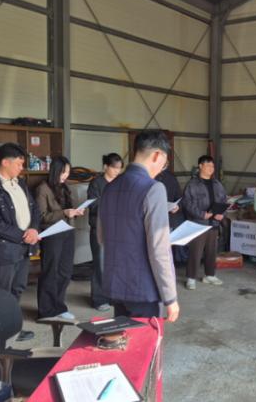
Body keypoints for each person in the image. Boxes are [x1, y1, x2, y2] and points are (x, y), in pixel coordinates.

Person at [99, 130, 179, 321]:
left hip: (115, 284)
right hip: (143, 288)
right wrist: (170, 297)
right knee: (145, 339)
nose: (162, 168)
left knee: (123, 336)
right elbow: (159, 249)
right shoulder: (153, 188)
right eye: (164, 162)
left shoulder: (110, 187)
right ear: (157, 155)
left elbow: (101, 237)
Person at [0, 143, 40, 341]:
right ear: (5, 162)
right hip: (5, 249)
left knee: (18, 288)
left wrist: (34, 229)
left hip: (24, 246)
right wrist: (23, 235)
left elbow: (34, 209)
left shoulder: (19, 183)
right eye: (19, 164)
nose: (22, 168)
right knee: (1, 292)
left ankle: (11, 328)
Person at [35, 156, 83, 320]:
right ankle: (46, 310)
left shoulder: (64, 187)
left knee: (65, 271)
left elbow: (66, 210)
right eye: (63, 172)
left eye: (68, 172)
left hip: (67, 231)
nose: (65, 176)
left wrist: (74, 212)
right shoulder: (42, 189)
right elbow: (42, 216)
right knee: (50, 271)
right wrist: (64, 213)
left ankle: (59, 306)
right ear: (55, 171)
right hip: (51, 234)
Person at [181, 155, 227, 290]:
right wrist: (202, 214)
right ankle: (191, 278)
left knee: (212, 251)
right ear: (200, 166)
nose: (211, 168)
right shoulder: (192, 184)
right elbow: (187, 203)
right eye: (208, 165)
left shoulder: (217, 184)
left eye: (212, 166)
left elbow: (224, 200)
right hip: (198, 223)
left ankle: (210, 275)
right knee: (196, 251)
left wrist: (222, 214)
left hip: (214, 223)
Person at [87, 153, 123, 312]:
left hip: (117, 229)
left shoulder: (119, 182)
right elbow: (93, 205)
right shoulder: (96, 183)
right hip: (100, 229)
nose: (117, 171)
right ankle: (99, 299)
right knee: (100, 264)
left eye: (120, 168)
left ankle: (112, 296)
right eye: (114, 168)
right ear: (105, 167)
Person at [155, 168, 188, 266]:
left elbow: (179, 197)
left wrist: (177, 206)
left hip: (169, 217)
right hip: (156, 219)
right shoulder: (149, 176)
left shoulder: (171, 177)